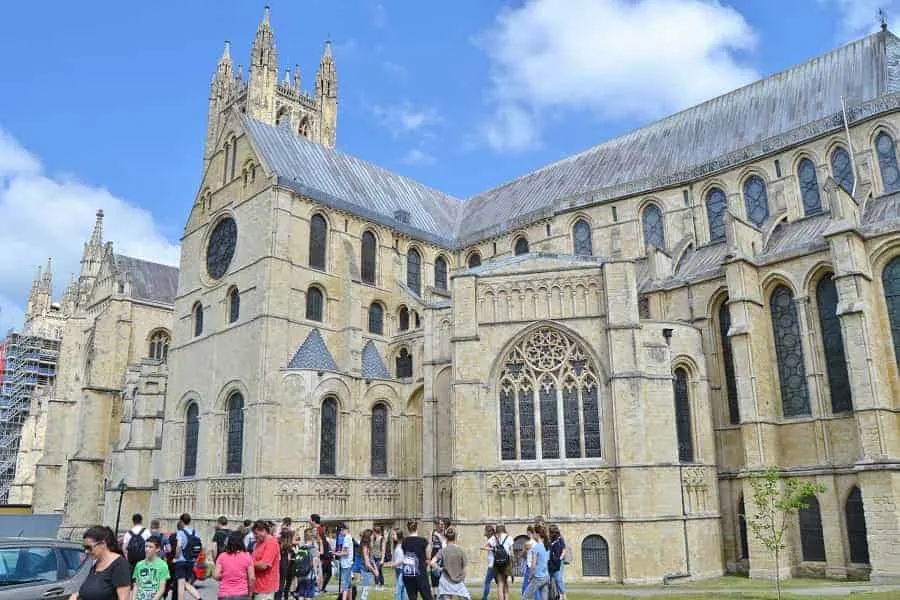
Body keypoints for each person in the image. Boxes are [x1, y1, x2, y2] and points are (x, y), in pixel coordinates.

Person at [70, 525, 131, 600]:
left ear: (102, 544)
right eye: (84, 548)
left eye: (89, 547)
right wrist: (76, 595)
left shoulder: (120, 565)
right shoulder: (96, 563)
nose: (86, 551)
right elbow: (90, 590)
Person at [430, 526, 469, 600]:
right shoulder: (460, 551)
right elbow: (464, 569)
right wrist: (462, 579)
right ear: (455, 537)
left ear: (446, 538)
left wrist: (440, 569)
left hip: (445, 580)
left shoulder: (443, 551)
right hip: (458, 580)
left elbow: (432, 562)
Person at [214, 530, 255, 600]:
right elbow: (252, 578)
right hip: (242, 594)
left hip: (224, 594)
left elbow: (216, 576)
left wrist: (226, 575)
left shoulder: (222, 556)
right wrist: (250, 594)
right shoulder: (247, 556)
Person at [400, 519, 432, 600]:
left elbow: (405, 554)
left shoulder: (404, 541)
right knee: (427, 596)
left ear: (408, 528)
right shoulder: (423, 541)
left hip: (408, 573)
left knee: (412, 597)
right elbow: (428, 557)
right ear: (417, 528)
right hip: (420, 573)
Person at [131, 536, 169, 600]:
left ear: (157, 549)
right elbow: (136, 585)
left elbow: (162, 589)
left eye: (150, 547)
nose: (147, 549)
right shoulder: (139, 565)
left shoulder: (163, 565)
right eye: (146, 546)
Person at [173, 514, 202, 600]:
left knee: (181, 585)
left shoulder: (180, 532)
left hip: (181, 560)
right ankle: (199, 598)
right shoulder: (195, 532)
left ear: (181, 521)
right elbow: (200, 546)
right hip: (191, 561)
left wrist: (176, 557)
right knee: (185, 583)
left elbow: (178, 546)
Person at [252, 520, 281, 600]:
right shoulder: (259, 542)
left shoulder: (271, 542)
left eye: (256, 534)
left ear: (263, 530)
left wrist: (248, 564)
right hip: (257, 586)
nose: (255, 536)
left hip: (266, 588)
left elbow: (264, 565)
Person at [521, 528, 550, 600]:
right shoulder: (545, 546)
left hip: (538, 577)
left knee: (525, 596)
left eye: (534, 533)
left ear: (537, 535)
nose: (533, 535)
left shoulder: (536, 547)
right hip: (546, 576)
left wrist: (531, 576)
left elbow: (533, 565)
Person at [293, 528, 320, 599]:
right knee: (309, 595)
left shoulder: (301, 546)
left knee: (301, 594)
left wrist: (296, 531)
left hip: (301, 573)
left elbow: (293, 541)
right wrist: (316, 575)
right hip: (309, 574)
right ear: (312, 537)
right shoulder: (313, 547)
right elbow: (314, 561)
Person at [383, 528, 407, 600]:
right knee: (402, 590)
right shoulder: (397, 545)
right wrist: (388, 564)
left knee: (398, 590)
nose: (392, 536)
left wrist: (394, 564)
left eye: (393, 534)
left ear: (399, 535)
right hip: (398, 570)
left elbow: (405, 558)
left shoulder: (404, 545)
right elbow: (396, 559)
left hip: (403, 570)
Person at [491, 525, 513, 600]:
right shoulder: (509, 537)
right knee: (506, 583)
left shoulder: (494, 538)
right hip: (506, 562)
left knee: (500, 584)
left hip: (497, 563)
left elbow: (488, 546)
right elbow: (511, 552)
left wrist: (493, 550)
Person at [335, 523, 355, 600]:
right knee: (349, 584)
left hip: (345, 564)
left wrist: (336, 553)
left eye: (340, 531)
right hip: (349, 563)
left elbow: (346, 552)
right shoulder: (349, 537)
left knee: (345, 586)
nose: (339, 533)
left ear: (342, 530)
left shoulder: (346, 538)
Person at [547, 525, 567, 600]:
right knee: (551, 579)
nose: (549, 534)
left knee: (558, 579)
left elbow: (564, 550)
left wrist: (560, 559)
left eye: (550, 532)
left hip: (558, 562)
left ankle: (563, 596)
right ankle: (555, 595)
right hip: (551, 562)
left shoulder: (560, 539)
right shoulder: (550, 540)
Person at [277, 528, 295, 600]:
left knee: (281, 584)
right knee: (282, 584)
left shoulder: (281, 545)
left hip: (284, 565)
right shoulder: (286, 547)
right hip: (284, 565)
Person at [359, 529, 377, 600]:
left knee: (366, 590)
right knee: (365, 591)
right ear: (369, 536)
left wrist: (375, 568)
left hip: (367, 570)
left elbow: (371, 559)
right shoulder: (365, 546)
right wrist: (374, 571)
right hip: (365, 570)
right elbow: (367, 563)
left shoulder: (368, 545)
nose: (373, 536)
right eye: (372, 535)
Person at [479, 525, 496, 600]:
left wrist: (483, 548)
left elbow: (489, 548)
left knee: (487, 582)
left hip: (492, 565)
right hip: (497, 564)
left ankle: (484, 598)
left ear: (489, 532)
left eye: (485, 531)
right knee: (500, 583)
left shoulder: (491, 540)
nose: (484, 532)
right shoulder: (495, 538)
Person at [520, 526, 536, 595]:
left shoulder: (528, 543)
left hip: (530, 566)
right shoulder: (538, 543)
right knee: (536, 586)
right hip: (537, 566)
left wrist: (524, 550)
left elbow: (522, 554)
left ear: (529, 532)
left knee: (525, 586)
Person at [372, 525, 386, 590]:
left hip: (379, 558)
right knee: (379, 571)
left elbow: (383, 549)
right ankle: (379, 584)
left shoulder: (382, 538)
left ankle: (378, 584)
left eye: (373, 532)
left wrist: (382, 559)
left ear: (375, 532)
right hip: (374, 557)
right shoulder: (374, 539)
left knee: (376, 571)